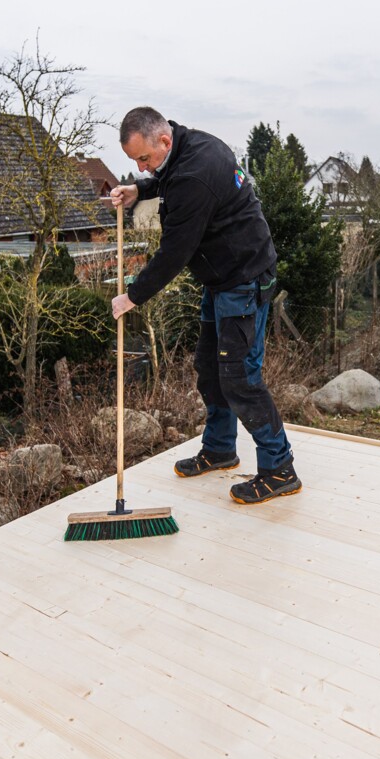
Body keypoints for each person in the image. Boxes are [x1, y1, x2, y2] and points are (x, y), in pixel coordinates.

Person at [107, 107, 300, 504]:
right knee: (210, 369)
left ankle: (280, 469)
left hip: (243, 278)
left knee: (240, 377)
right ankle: (219, 449)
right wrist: (140, 189)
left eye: (144, 159)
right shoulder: (187, 147)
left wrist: (133, 296)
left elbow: (175, 252)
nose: (142, 166)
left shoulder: (194, 174)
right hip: (221, 277)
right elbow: (169, 177)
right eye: (135, 162)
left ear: (163, 139)